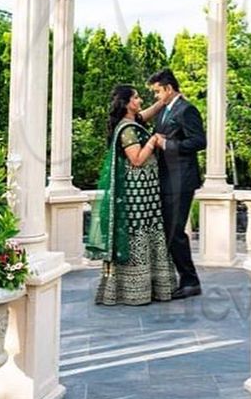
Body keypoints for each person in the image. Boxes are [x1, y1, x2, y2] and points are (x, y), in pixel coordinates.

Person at [86, 84, 176, 306]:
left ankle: (148, 286)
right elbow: (136, 160)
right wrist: (154, 140)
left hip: (145, 194)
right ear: (126, 103)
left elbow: (149, 112)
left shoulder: (133, 123)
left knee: (148, 230)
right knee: (138, 233)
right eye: (136, 98)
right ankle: (134, 290)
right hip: (136, 195)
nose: (140, 101)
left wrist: (165, 99)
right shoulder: (127, 129)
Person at [148, 68, 206, 299]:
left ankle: (191, 281)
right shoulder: (164, 110)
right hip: (166, 179)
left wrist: (168, 145)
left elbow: (200, 141)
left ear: (169, 89)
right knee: (168, 231)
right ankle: (183, 279)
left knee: (174, 232)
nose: (156, 96)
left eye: (157, 92)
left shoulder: (187, 109)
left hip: (182, 179)